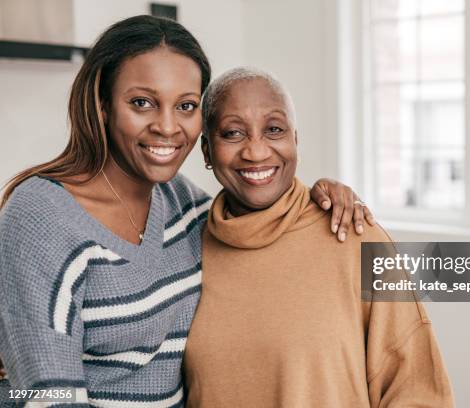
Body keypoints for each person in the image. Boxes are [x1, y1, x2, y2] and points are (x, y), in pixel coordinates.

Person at [0, 16, 372, 406]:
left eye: (186, 106)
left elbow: (261, 233)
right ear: (102, 105)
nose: (167, 126)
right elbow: (45, 395)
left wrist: (320, 197)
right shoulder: (39, 216)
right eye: (142, 103)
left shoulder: (184, 205)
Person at [183, 67, 454, 407]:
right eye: (233, 133)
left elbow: (417, 391)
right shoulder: (185, 246)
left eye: (274, 130)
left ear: (295, 140)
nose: (256, 151)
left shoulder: (354, 236)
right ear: (207, 151)